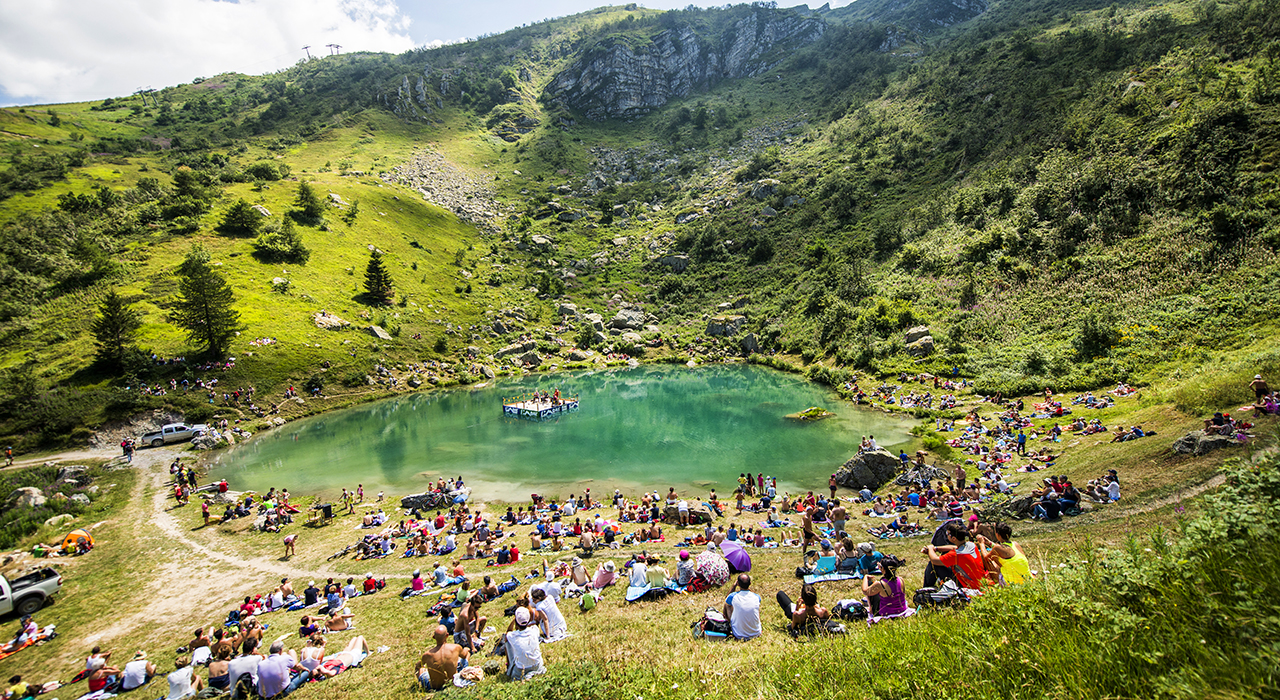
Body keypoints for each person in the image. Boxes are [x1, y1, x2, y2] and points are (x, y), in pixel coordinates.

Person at [923, 522, 987, 592]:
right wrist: (936, 548)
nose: (946, 535)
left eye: (947, 534)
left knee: (933, 564)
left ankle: (926, 590)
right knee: (945, 554)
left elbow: (934, 560)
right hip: (979, 581)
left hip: (966, 584)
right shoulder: (971, 545)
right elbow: (953, 547)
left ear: (953, 538)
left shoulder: (956, 555)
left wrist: (930, 548)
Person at [861, 555, 915, 621]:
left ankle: (872, 611)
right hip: (902, 610)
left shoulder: (880, 584)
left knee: (870, 585)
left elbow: (865, 591)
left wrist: (865, 577)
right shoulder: (901, 579)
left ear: (882, 569)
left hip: (887, 614)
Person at [416, 625, 470, 690]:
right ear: (447, 635)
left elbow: (418, 666)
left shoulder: (427, 655)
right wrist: (467, 649)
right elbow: (464, 655)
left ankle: (419, 686)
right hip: (453, 682)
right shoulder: (456, 647)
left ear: (434, 637)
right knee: (467, 655)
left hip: (435, 687)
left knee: (422, 669)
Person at [503, 607, 545, 680]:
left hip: (521, 669)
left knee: (507, 643)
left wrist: (514, 620)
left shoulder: (512, 636)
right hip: (537, 665)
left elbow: (507, 634)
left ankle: (509, 666)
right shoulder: (535, 629)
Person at [723, 574, 762, 640]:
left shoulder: (733, 596)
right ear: (750, 583)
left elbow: (727, 598)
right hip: (756, 633)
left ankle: (730, 622)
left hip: (738, 634)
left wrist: (734, 586)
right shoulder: (757, 597)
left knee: (727, 605)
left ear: (738, 584)